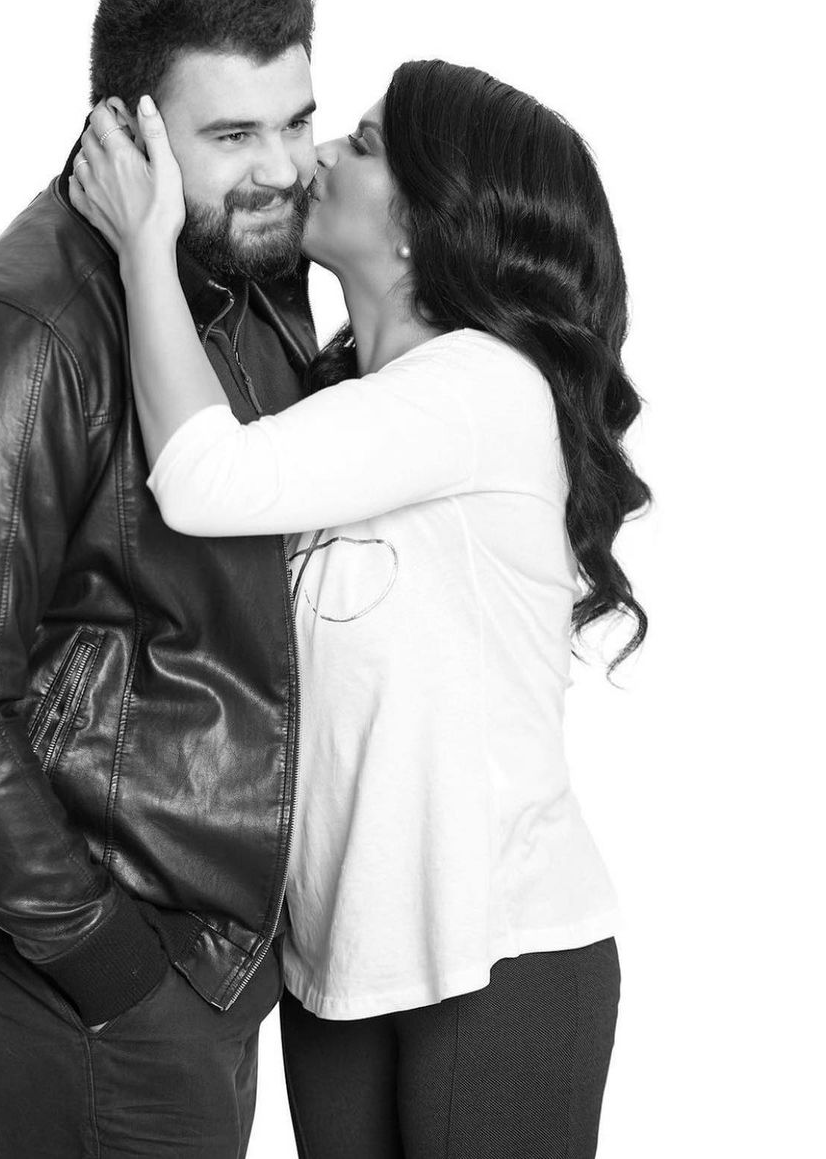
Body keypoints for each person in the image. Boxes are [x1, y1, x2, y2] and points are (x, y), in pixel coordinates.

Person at [68, 59, 651, 1158]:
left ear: (428, 227)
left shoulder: (483, 386)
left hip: (497, 956)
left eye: (367, 144)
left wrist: (145, 243)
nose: (323, 153)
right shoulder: (345, 408)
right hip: (338, 970)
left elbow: (203, 477)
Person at [0, 0, 323, 1158]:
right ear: (126, 128)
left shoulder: (236, 266)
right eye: (234, 134)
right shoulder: (18, 333)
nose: (283, 168)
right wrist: (111, 964)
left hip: (197, 924)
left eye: (298, 121)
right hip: (85, 932)